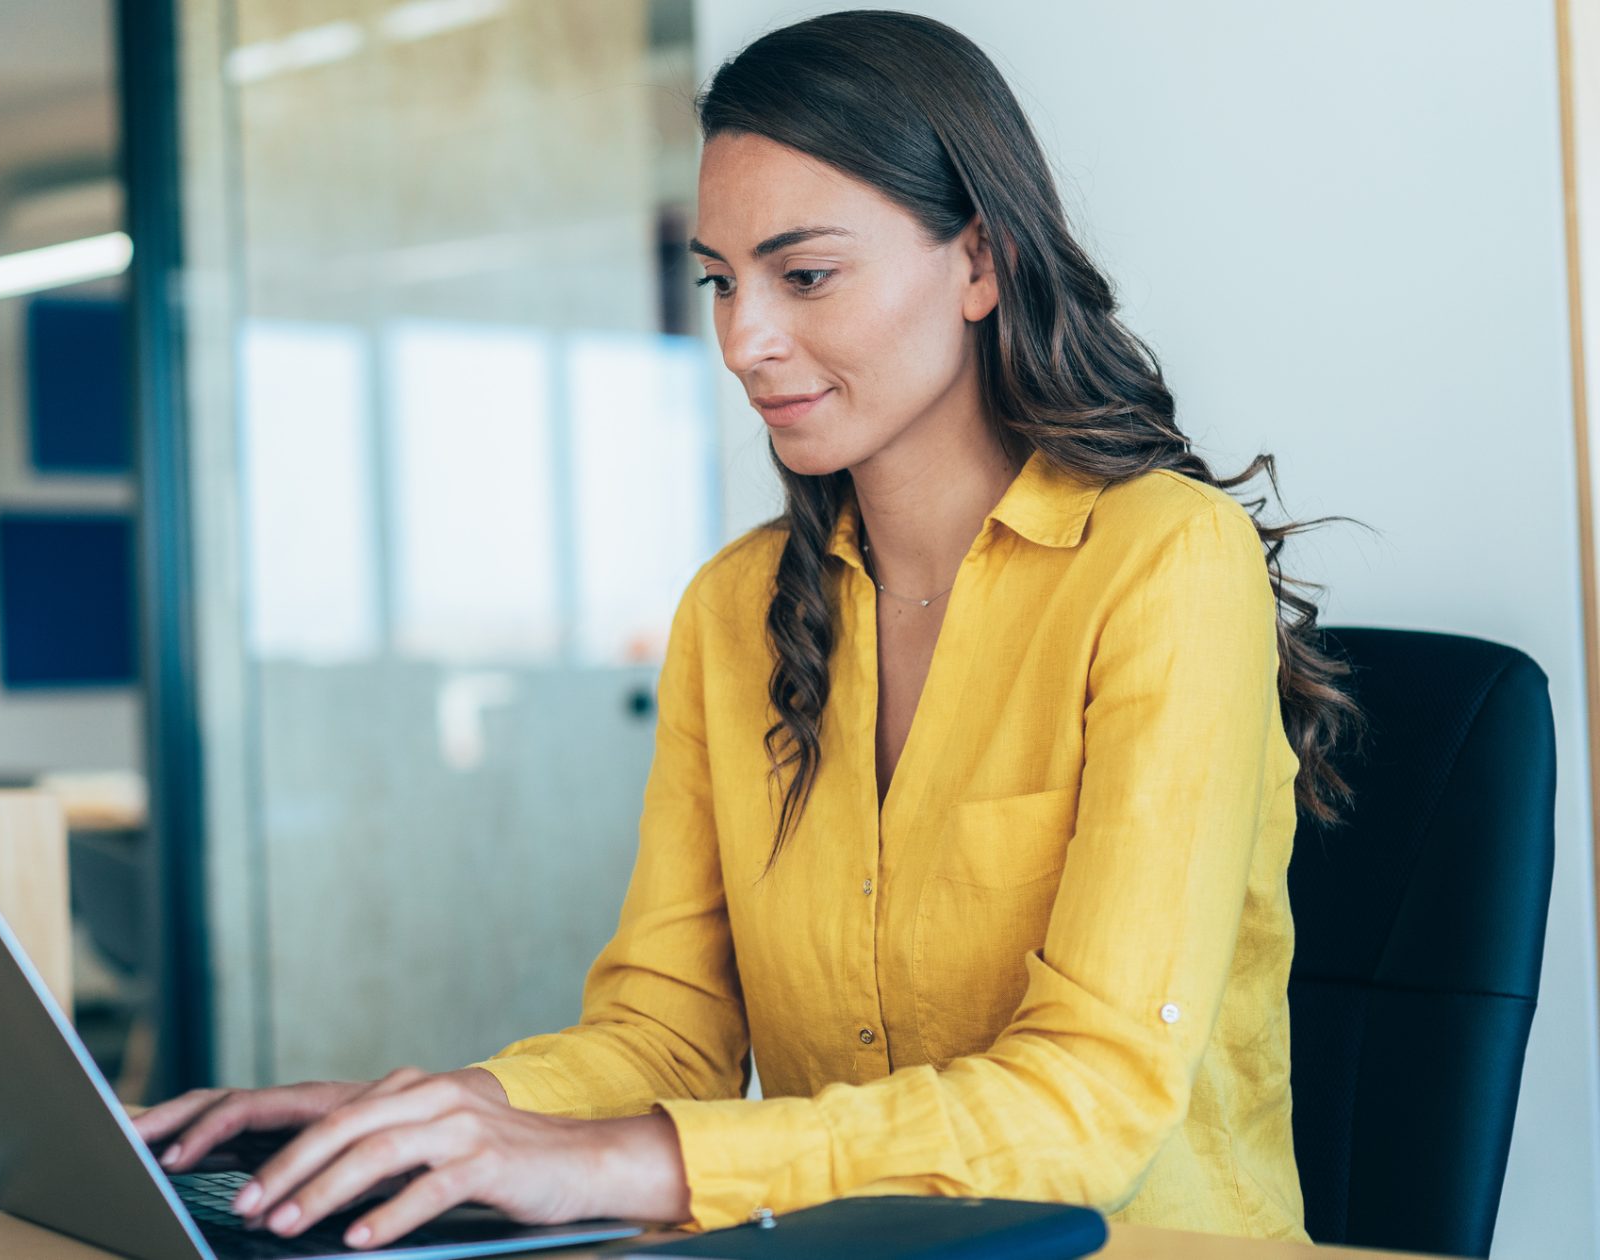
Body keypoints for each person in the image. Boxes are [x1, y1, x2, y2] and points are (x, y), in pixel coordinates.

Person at [133, 9, 1367, 1250]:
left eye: (804, 275)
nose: (743, 340)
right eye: (720, 280)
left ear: (978, 262)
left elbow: (1087, 1102)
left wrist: (622, 1163)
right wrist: (445, 1117)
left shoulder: (1160, 560)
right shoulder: (737, 608)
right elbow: (667, 1032)